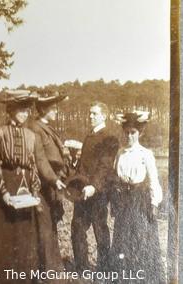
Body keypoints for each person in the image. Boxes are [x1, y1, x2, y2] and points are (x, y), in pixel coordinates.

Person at [0, 90, 66, 284]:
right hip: (5, 187)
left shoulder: (30, 135)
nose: (25, 114)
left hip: (25, 188)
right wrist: (2, 193)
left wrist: (35, 191)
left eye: (27, 111)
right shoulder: (0, 133)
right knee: (1, 235)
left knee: (23, 236)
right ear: (10, 110)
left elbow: (35, 166)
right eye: (21, 110)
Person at [107, 111, 165, 283]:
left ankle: (142, 277)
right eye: (127, 132)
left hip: (140, 200)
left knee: (140, 238)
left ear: (140, 133)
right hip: (124, 200)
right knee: (122, 237)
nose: (129, 136)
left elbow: (154, 179)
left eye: (133, 132)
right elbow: (115, 176)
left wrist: (154, 203)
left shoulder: (145, 154)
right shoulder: (120, 153)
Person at [70, 101, 119, 273]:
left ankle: (105, 269)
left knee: (100, 230)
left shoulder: (110, 138)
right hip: (83, 191)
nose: (90, 116)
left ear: (104, 116)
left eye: (94, 114)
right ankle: (81, 268)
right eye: (89, 113)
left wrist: (93, 187)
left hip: (98, 192)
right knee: (77, 228)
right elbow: (84, 165)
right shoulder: (89, 136)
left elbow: (105, 166)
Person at [29, 93, 68, 227]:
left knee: (51, 221)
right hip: (44, 183)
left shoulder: (46, 127)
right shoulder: (35, 128)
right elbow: (40, 159)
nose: (56, 111)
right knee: (45, 223)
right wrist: (54, 179)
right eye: (53, 108)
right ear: (44, 110)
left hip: (52, 182)